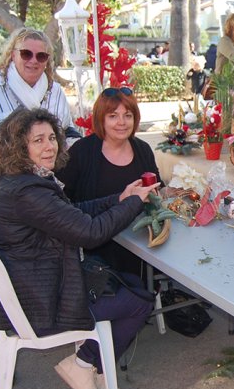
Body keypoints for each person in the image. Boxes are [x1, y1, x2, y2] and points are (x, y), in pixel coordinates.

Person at [0, 108, 157, 389]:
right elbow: (90, 232)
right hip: (41, 303)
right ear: (19, 146)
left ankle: (94, 368)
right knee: (140, 302)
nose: (49, 146)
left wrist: (119, 198)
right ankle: (84, 364)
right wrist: (132, 204)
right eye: (38, 140)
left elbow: (72, 214)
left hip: (35, 284)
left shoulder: (20, 180)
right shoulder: (28, 192)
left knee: (132, 283)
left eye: (52, 138)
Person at [58, 87, 161, 275]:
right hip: (95, 254)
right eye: (113, 116)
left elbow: (157, 192)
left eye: (128, 116)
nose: (122, 122)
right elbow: (62, 203)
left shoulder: (143, 150)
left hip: (140, 247)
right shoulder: (82, 152)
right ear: (101, 119)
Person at [0, 27, 80, 144]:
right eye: (26, 54)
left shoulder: (55, 91)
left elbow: (67, 131)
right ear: (13, 55)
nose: (34, 60)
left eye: (41, 56)